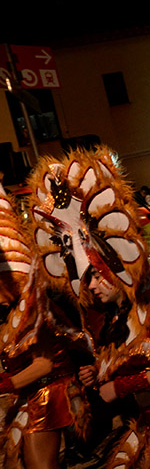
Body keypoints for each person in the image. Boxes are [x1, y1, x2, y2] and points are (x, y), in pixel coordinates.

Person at [29, 148, 150, 468]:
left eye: (97, 278)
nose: (91, 287)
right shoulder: (111, 321)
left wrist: (117, 386)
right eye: (88, 281)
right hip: (145, 425)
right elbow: (124, 368)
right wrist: (97, 373)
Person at [0, 188, 90, 469]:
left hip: (49, 392)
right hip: (28, 395)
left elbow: (43, 365)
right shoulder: (7, 312)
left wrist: (3, 384)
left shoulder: (29, 307)